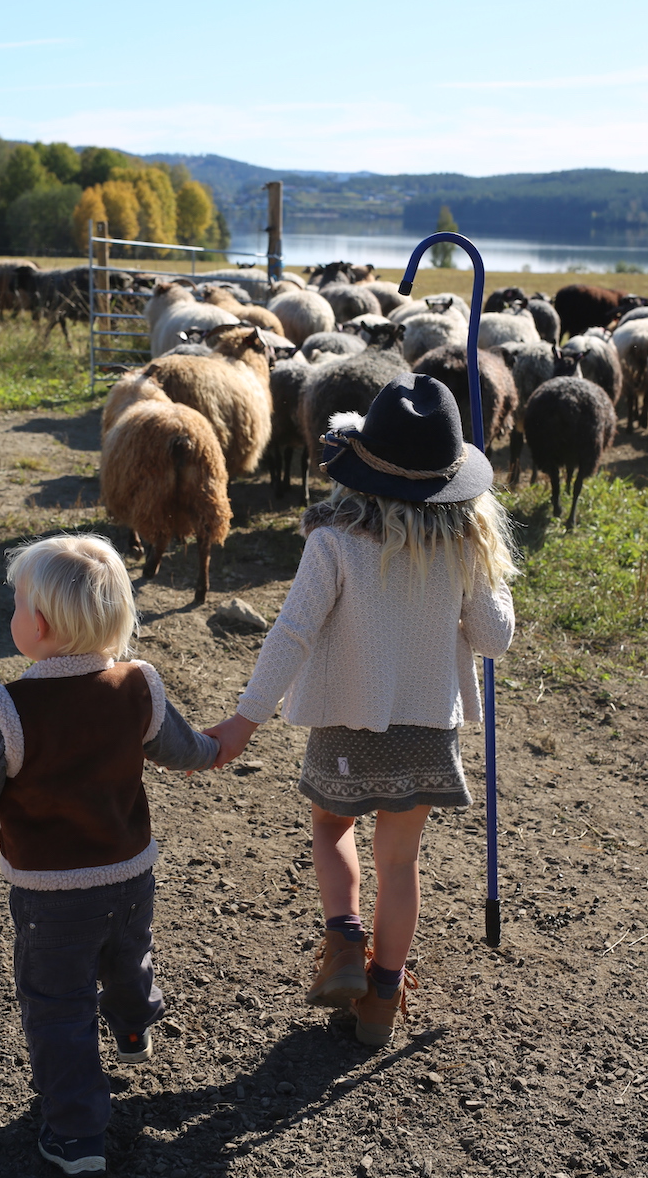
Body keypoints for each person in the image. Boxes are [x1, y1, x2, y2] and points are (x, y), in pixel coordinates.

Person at [205, 373, 517, 1048]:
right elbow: (494, 639)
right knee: (400, 864)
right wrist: (490, 574)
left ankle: (344, 942)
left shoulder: (333, 539)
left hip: (346, 721)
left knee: (330, 828)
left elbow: (292, 631)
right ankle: (381, 998)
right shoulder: (464, 547)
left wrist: (245, 718)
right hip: (426, 728)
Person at [0, 533, 219, 1175]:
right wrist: (217, 749)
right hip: (131, 874)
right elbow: (183, 750)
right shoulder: (138, 685)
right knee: (127, 952)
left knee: (57, 1006)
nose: (11, 615)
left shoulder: (9, 708)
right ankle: (135, 1027)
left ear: (41, 624)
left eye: (16, 604)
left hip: (52, 897)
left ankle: (77, 1133)